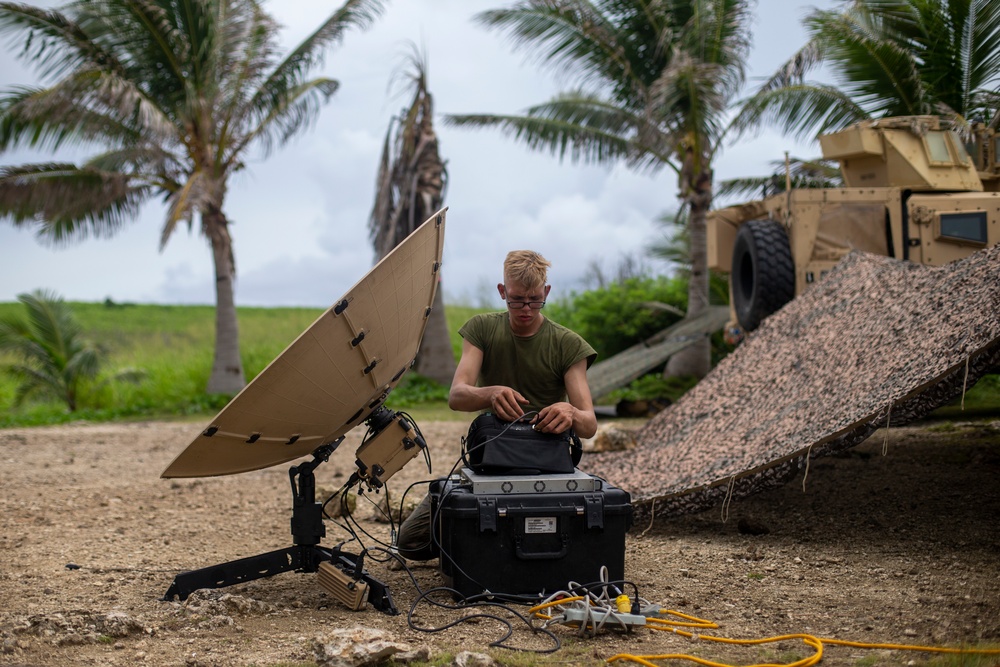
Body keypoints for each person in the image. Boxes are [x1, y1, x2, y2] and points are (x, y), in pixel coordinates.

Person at [395, 250, 598, 561]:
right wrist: (490, 394)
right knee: (411, 542)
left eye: (534, 299)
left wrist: (569, 412)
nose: (526, 308)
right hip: (493, 457)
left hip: (548, 459)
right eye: (516, 300)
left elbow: (589, 424)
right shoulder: (483, 329)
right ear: (502, 291)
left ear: (546, 292)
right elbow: (457, 395)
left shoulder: (567, 343)